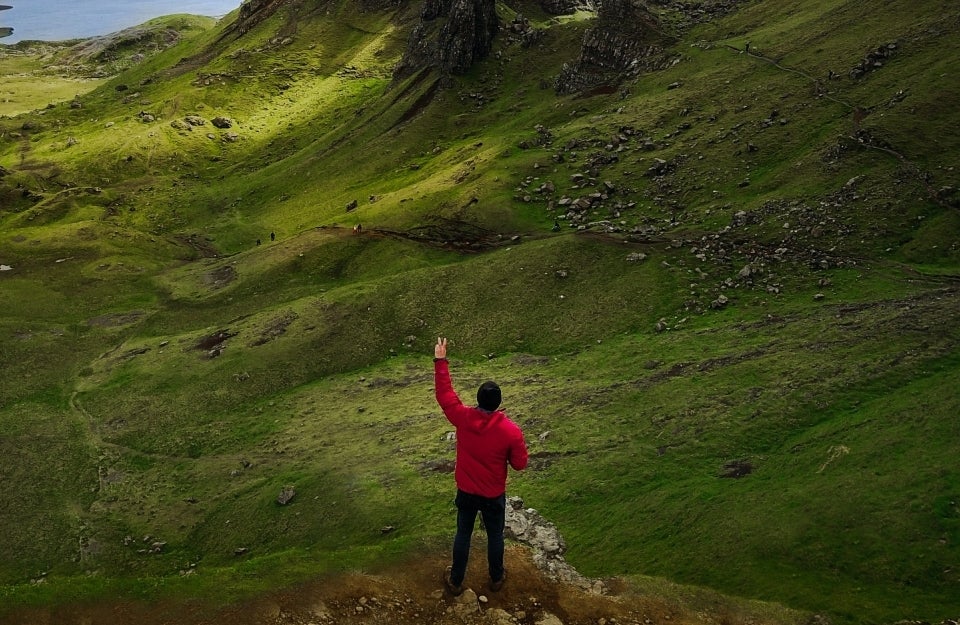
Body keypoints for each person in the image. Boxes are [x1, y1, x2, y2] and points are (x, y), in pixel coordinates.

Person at [433, 337, 528, 596]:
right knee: (495, 536)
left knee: (463, 533)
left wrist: (441, 361)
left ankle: (455, 581)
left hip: (466, 490)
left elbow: (445, 396)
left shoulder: (463, 419)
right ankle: (496, 579)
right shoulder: (511, 431)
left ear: (478, 399)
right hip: (492, 494)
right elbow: (520, 464)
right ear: (498, 403)